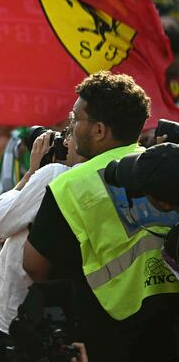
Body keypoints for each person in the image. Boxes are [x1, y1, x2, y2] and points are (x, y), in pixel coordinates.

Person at [23, 71, 179, 362]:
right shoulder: (165, 168)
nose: (71, 127)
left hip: (106, 333)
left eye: (76, 119)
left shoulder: (69, 185)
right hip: (169, 327)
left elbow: (33, 266)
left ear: (99, 131)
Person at [0, 130, 85, 347]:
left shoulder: (55, 174)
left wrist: (31, 173)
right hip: (68, 311)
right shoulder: (109, 174)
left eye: (71, 132)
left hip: (18, 314)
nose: (66, 140)